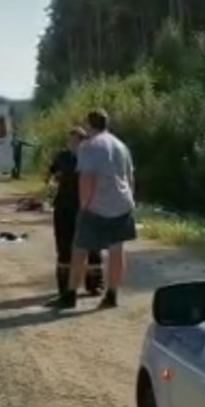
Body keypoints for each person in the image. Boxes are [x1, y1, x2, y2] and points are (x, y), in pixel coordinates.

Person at [52, 109, 136, 310]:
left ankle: (70, 295)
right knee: (116, 251)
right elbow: (130, 177)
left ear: (89, 125)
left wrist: (84, 206)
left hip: (97, 205)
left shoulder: (89, 146)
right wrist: (130, 200)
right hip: (122, 204)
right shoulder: (121, 145)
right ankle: (112, 294)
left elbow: (87, 178)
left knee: (79, 249)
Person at [44, 127, 103, 304]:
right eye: (70, 141)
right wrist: (51, 182)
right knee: (64, 248)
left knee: (92, 247)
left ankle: (94, 284)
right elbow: (50, 174)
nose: (72, 144)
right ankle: (65, 290)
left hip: (88, 207)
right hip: (64, 207)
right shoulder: (62, 157)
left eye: (75, 141)